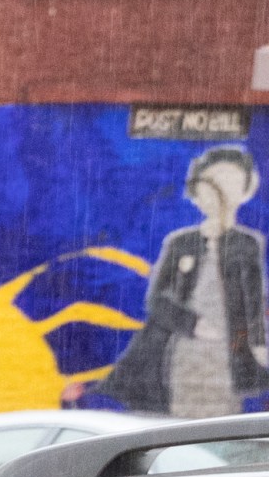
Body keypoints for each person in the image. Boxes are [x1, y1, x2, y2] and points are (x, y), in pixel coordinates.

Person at [102, 145, 267, 421]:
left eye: (231, 182)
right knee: (180, 424)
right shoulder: (181, 242)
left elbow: (253, 301)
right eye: (213, 183)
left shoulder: (248, 244)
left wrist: (259, 345)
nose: (221, 192)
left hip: (229, 357)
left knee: (222, 423)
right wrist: (193, 324)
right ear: (198, 192)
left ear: (246, 190)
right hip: (182, 350)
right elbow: (156, 300)